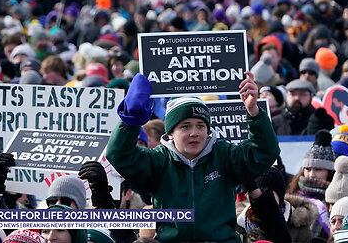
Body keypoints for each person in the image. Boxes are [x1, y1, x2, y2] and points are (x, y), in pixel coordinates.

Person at [106, 72, 280, 242]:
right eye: (185, 127)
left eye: (200, 126)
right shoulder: (159, 160)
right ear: (171, 133)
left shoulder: (225, 155)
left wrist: (254, 112)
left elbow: (264, 153)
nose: (194, 133)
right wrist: (130, 120)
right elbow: (119, 156)